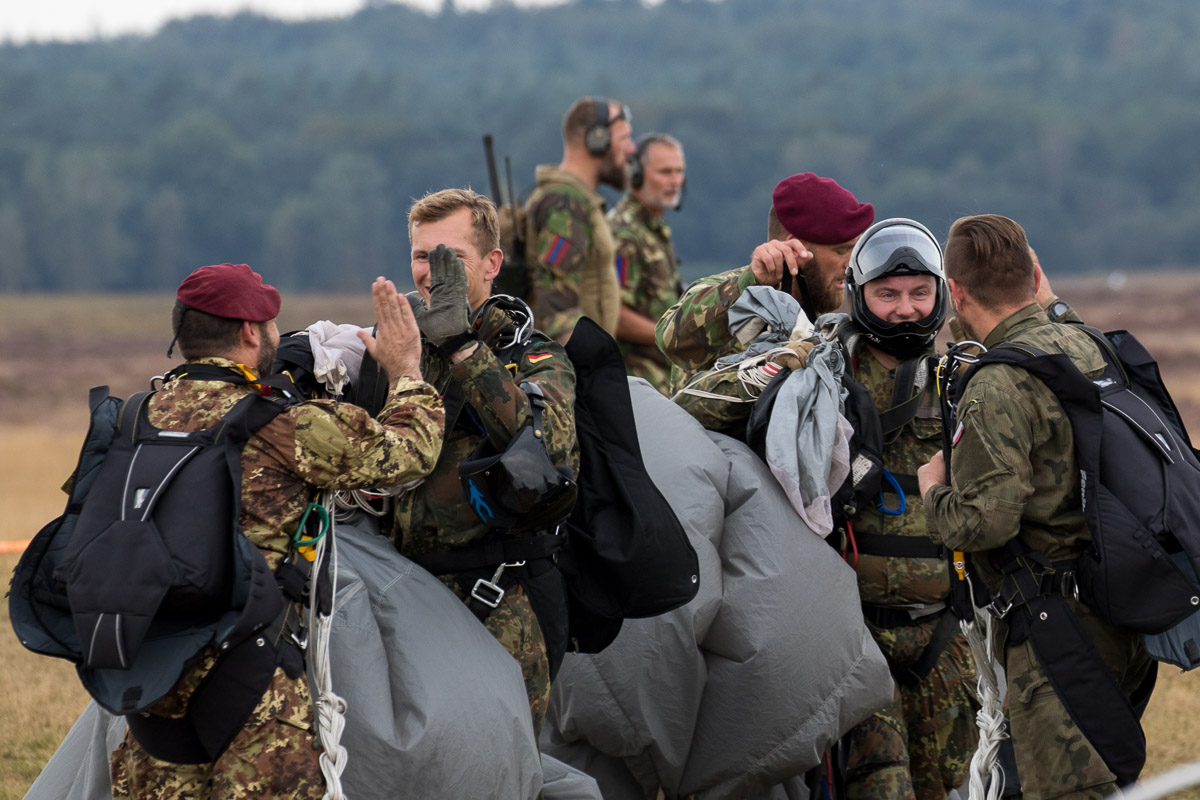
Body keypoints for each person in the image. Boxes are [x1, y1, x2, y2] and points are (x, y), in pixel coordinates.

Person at [668, 217, 979, 800]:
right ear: (857, 294)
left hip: (946, 642)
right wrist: (780, 363)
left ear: (942, 294)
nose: (905, 310)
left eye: (919, 293)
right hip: (850, 645)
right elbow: (689, 405)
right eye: (887, 294)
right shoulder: (820, 373)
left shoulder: (963, 382)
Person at [110, 263, 445, 799]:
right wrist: (407, 371)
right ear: (249, 331)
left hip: (148, 678)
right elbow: (411, 452)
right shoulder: (283, 422)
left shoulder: (133, 417)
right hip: (252, 681)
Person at [917, 214, 1154, 800]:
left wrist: (933, 492)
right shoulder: (1088, 344)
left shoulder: (998, 383)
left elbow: (985, 521)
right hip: (1125, 613)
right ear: (1036, 275)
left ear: (958, 293)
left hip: (1059, 636)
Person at [395, 188, 580, 733]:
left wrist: (460, 345)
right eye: (422, 256)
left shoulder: (532, 352)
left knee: (498, 768)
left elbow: (547, 444)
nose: (432, 273)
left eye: (450, 258)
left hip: (502, 599)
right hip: (408, 595)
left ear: (493, 264)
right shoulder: (401, 348)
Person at [655, 171, 873, 375]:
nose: (851, 264)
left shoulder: (839, 312)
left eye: (855, 249)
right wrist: (752, 282)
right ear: (796, 247)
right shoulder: (732, 293)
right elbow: (672, 342)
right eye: (841, 250)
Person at [524, 95, 636, 343]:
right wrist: (589, 370)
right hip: (574, 372)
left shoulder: (579, 201)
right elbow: (557, 309)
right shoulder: (566, 204)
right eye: (625, 138)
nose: (632, 149)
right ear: (598, 140)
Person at [607, 132, 686, 393]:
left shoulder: (652, 228)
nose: (675, 181)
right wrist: (674, 335)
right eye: (665, 172)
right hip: (636, 380)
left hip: (663, 372)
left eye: (679, 172)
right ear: (637, 174)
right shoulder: (624, 234)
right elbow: (616, 315)